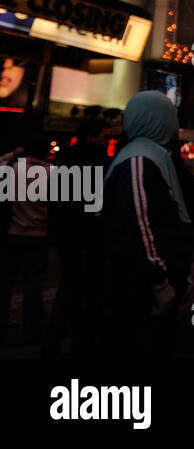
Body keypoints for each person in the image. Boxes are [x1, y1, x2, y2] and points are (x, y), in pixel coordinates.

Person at [98, 92, 192, 359]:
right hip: (140, 291)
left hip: (148, 285)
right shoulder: (140, 160)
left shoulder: (153, 156)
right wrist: (160, 281)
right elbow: (140, 225)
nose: (174, 123)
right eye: (169, 116)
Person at [44, 118, 110, 358]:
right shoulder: (100, 162)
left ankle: (52, 341)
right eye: (104, 136)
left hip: (65, 234)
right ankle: (80, 343)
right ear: (92, 136)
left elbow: (53, 198)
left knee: (68, 286)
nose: (107, 141)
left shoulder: (64, 158)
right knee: (88, 293)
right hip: (89, 236)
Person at [0, 131, 50, 348]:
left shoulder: (14, 170)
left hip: (13, 233)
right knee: (33, 285)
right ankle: (32, 329)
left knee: (5, 282)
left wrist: (12, 154)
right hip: (39, 236)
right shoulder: (52, 174)